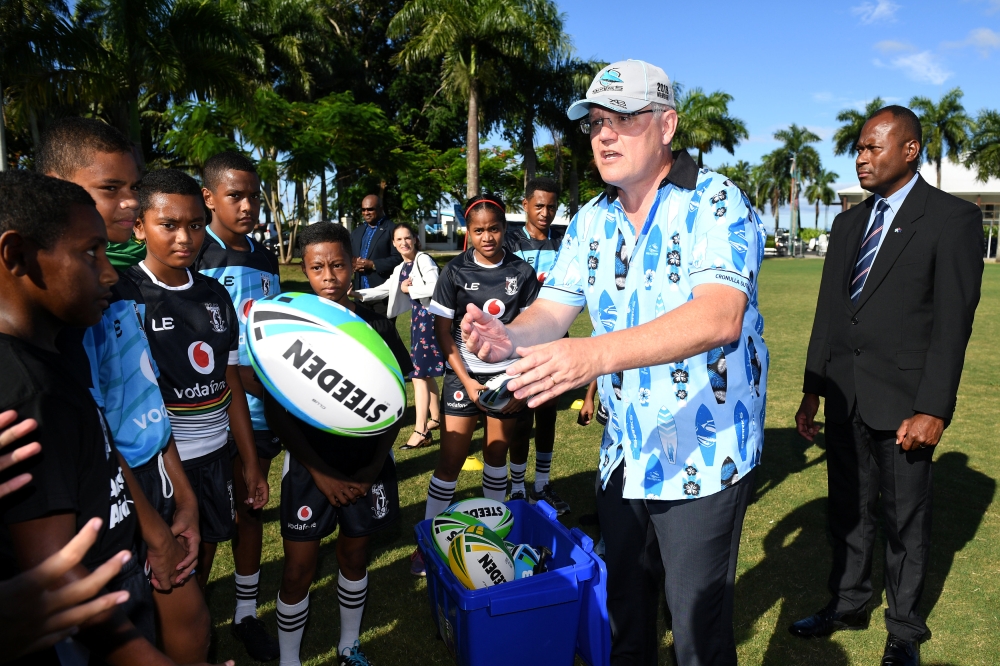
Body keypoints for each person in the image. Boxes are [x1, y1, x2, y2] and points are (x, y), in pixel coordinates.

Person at [460, 60, 768, 665]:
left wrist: (593, 355)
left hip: (702, 457)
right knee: (625, 616)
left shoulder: (716, 200)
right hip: (624, 450)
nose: (604, 135)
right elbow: (553, 310)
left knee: (697, 632)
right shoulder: (591, 220)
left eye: (624, 119)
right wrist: (508, 337)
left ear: (667, 125)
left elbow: (718, 317)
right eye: (597, 121)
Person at [0, 170, 229, 666]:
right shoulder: (31, 390)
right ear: (16, 255)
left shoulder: (51, 360)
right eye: (90, 253)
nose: (107, 272)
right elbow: (59, 584)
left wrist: (179, 492)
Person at [792, 106, 984, 666]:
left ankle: (903, 630)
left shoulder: (952, 219)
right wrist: (813, 389)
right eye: (858, 148)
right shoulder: (849, 222)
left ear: (910, 151)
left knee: (905, 522)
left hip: (904, 405)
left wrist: (933, 409)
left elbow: (954, 324)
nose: (861, 157)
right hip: (845, 395)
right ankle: (849, 602)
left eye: (874, 148)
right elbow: (830, 314)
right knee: (847, 510)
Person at [38, 117, 211, 663]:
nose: (130, 203)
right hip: (109, 496)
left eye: (132, 187)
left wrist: (181, 493)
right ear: (57, 185)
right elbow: (95, 426)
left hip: (157, 478)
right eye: (110, 189)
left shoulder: (120, 283)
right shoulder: (61, 301)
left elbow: (145, 401)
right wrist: (152, 525)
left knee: (190, 617)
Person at [265, 221, 409, 666]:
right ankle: (290, 660)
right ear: (305, 271)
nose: (329, 277)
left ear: (353, 265)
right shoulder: (292, 327)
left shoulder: (374, 322)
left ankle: (349, 646)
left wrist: (369, 470)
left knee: (354, 554)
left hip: (366, 466)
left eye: (338, 265)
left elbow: (394, 403)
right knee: (297, 571)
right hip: (311, 469)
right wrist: (322, 474)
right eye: (317, 267)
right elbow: (276, 411)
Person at [125, 169, 268, 591]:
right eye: (168, 225)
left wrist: (251, 463)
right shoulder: (125, 295)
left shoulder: (214, 294)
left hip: (215, 456)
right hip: (160, 467)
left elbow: (230, 384)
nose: (185, 238)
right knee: (164, 574)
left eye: (195, 225)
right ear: (139, 227)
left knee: (202, 557)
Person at [410, 194, 540, 578]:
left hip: (506, 379)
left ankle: (492, 541)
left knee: (495, 459)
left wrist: (517, 382)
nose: (487, 237)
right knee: (450, 460)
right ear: (468, 232)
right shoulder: (453, 272)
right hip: (463, 376)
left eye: (494, 229)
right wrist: (467, 381)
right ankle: (429, 543)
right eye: (479, 230)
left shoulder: (522, 271)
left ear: (505, 229)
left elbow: (537, 329)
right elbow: (442, 334)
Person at [195, 151, 282, 661]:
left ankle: (245, 615)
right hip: (205, 414)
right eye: (235, 196)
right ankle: (194, 621)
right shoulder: (192, 256)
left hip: (260, 409)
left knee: (252, 509)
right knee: (204, 525)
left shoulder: (265, 256)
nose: (248, 205)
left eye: (253, 195)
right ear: (209, 198)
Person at [505, 177, 570, 514]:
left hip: (556, 341)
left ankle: (542, 485)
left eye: (552, 207)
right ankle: (517, 488)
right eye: (539, 205)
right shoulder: (509, 241)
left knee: (547, 416)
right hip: (521, 341)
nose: (545, 213)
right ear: (526, 205)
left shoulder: (563, 245)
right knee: (520, 418)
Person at [356, 222, 444, 450]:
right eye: (399, 240)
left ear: (415, 239)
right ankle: (436, 418)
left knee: (417, 374)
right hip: (419, 320)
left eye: (408, 238)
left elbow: (437, 286)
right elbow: (386, 288)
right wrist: (357, 294)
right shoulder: (402, 266)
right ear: (394, 244)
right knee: (423, 373)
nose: (404, 243)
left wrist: (409, 290)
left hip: (430, 320)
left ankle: (421, 431)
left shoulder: (423, 260)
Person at [350, 195, 402, 316]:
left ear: (380, 208)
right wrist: (353, 264)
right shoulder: (357, 232)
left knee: (383, 332)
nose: (366, 212)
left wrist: (373, 264)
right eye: (363, 210)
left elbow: (399, 258)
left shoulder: (392, 229)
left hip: (382, 296)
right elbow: (348, 255)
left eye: (370, 209)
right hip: (360, 294)